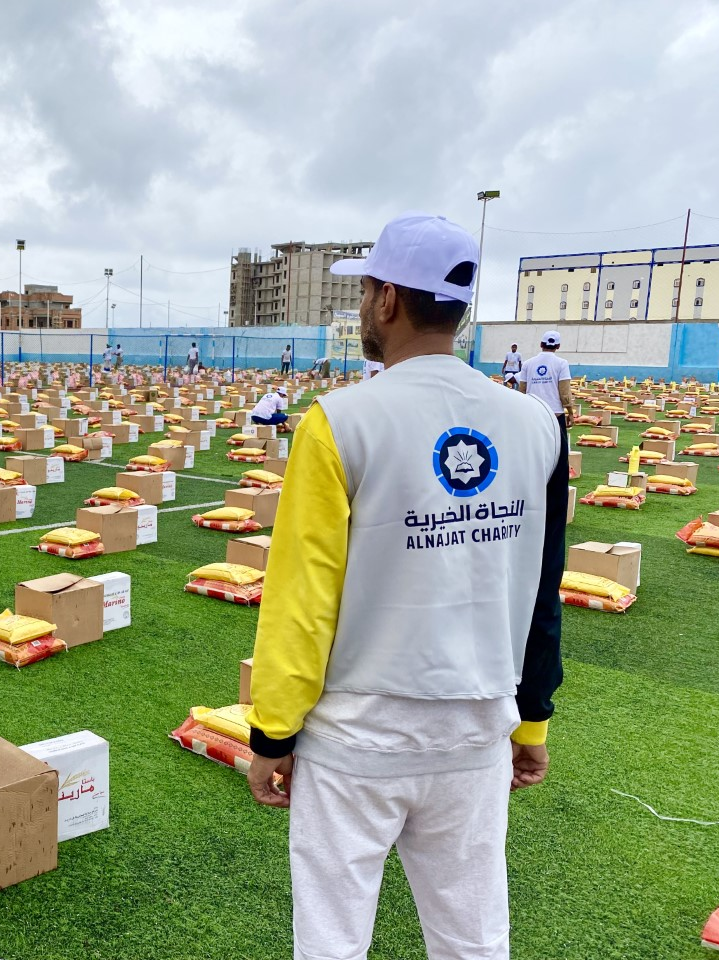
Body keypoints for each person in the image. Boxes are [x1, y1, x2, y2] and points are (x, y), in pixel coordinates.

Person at [246, 213, 567, 960]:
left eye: (366, 291)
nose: (364, 305)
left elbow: (301, 599)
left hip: (357, 738)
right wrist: (532, 721)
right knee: (473, 938)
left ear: (387, 298)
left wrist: (273, 733)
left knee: (332, 940)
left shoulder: (339, 422)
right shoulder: (535, 425)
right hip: (476, 732)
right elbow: (541, 590)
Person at [518, 332, 573, 440]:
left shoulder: (527, 364)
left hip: (533, 412)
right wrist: (570, 412)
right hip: (555, 412)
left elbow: (522, 390)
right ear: (558, 346)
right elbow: (564, 391)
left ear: (541, 344)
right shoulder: (562, 363)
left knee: (534, 445)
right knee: (559, 448)